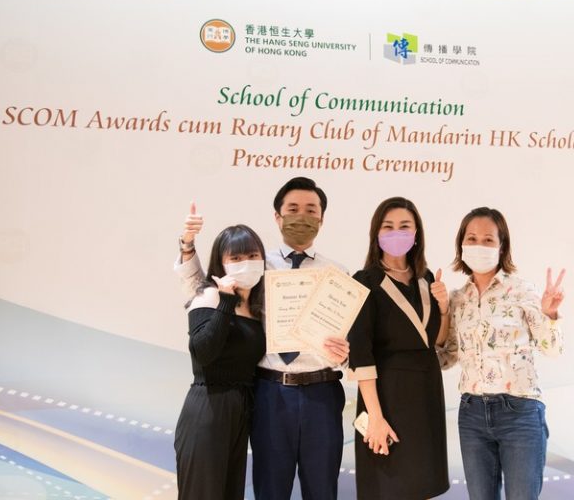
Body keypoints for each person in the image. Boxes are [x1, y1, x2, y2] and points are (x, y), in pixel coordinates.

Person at [175, 177, 350, 500]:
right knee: (269, 490)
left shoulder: (338, 274)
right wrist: (187, 244)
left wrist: (344, 353)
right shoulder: (254, 264)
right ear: (277, 216)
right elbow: (203, 287)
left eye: (311, 210)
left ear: (322, 218)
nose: (303, 216)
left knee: (323, 490)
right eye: (293, 209)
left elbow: (348, 337)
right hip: (270, 392)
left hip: (323, 391)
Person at [438, 207, 565, 500]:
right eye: (471, 238)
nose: (478, 246)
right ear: (461, 245)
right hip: (471, 414)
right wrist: (439, 313)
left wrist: (550, 312)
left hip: (519, 413)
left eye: (488, 240)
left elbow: (553, 349)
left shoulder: (523, 291)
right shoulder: (458, 299)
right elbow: (447, 357)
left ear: (502, 246)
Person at [347, 196, 450, 500]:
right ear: (376, 233)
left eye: (405, 226)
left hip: (426, 396)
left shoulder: (427, 279)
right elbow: (360, 353)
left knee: (423, 487)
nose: (397, 232)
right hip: (387, 398)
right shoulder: (364, 281)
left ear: (417, 233)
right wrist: (375, 417)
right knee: (389, 487)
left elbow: (436, 342)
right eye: (388, 226)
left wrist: (443, 308)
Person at [174, 224, 267, 499]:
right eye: (235, 259)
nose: (245, 264)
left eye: (252, 256)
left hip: (241, 412)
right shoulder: (209, 295)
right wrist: (226, 301)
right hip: (208, 409)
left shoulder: (259, 307)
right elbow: (203, 351)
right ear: (221, 263)